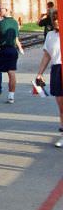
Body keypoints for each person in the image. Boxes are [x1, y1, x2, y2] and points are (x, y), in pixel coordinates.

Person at [35, 14, 63, 148]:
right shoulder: (51, 35)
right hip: (57, 69)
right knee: (61, 105)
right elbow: (47, 55)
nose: (56, 21)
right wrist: (40, 73)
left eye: (59, 19)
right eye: (54, 19)